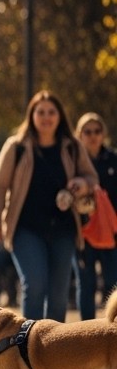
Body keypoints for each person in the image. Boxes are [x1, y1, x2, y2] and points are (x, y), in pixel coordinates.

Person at [0, 91, 97, 321]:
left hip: (64, 230)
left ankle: (53, 352)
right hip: (26, 229)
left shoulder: (72, 146)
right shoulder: (17, 147)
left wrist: (81, 183)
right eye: (40, 112)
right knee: (34, 286)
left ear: (59, 116)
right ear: (31, 115)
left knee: (58, 296)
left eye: (51, 112)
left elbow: (92, 178)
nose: (46, 117)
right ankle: (29, 348)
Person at [74, 112, 117, 319]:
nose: (92, 136)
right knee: (86, 283)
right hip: (82, 233)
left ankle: (112, 332)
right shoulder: (72, 162)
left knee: (112, 282)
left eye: (97, 131)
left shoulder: (113, 160)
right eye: (87, 131)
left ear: (103, 134)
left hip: (111, 233)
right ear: (79, 134)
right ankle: (87, 332)